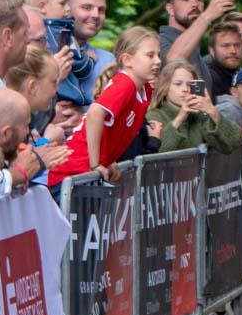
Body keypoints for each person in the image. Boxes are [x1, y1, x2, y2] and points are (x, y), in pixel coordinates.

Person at [48, 26, 161, 192]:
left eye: (158, 55)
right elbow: (95, 113)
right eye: (150, 55)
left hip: (80, 172)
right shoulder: (125, 84)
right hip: (71, 172)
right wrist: (96, 163)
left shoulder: (144, 89)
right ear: (127, 60)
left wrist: (107, 159)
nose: (158, 61)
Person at [158, 0, 233, 85]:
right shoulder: (158, 42)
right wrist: (207, 15)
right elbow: (174, 59)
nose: (195, 4)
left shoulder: (195, 49)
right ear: (170, 9)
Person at [57, 0, 114, 110]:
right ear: (66, 9)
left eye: (101, 10)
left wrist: (83, 118)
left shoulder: (107, 62)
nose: (96, 15)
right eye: (87, 7)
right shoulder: (40, 53)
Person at [201, 23, 242, 98]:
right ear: (212, 50)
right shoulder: (205, 78)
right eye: (226, 46)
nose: (233, 51)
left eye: (237, 45)